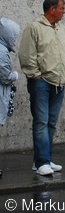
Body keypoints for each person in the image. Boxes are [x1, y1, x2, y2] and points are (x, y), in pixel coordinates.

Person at [19, 0, 65, 176]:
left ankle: (44, 160)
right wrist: (36, 76)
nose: (64, 11)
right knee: (41, 122)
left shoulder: (61, 28)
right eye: (62, 8)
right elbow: (27, 55)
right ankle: (42, 161)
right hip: (41, 83)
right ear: (52, 9)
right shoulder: (34, 27)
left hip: (60, 82)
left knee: (51, 122)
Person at [0, 18, 20, 179]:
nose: (14, 39)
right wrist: (16, 75)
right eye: (13, 35)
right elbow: (5, 76)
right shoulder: (1, 51)